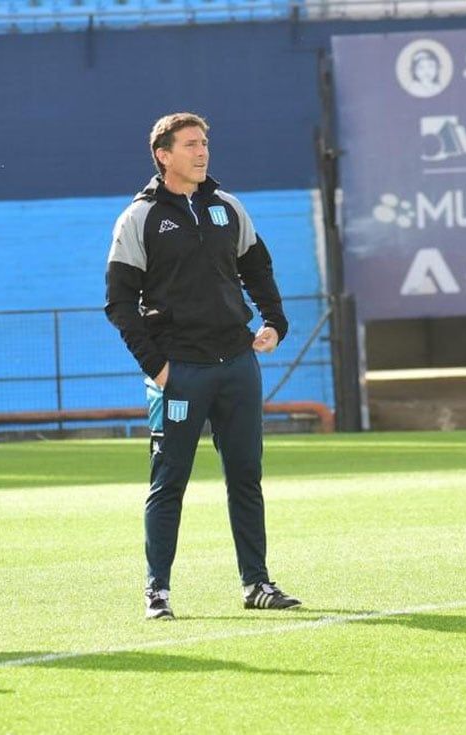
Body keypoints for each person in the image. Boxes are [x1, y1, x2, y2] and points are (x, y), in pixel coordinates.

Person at [105, 112, 302, 620]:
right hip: (180, 372)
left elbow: (258, 269)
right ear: (163, 155)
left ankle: (256, 583)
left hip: (237, 364)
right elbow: (119, 303)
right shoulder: (139, 218)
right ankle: (158, 592)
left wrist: (275, 322)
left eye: (204, 143)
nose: (202, 152)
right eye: (190, 144)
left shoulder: (228, 208)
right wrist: (158, 366)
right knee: (169, 481)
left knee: (246, 476)